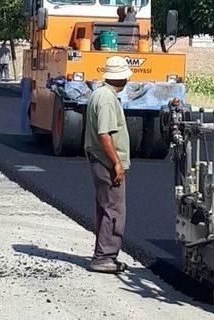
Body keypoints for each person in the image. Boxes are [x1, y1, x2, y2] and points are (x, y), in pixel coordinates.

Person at [84, 56, 132, 274]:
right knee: (113, 209)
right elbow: (104, 134)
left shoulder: (99, 94)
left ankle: (103, 254)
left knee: (105, 208)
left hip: (100, 160)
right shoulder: (106, 99)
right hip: (106, 163)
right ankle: (104, 257)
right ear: (123, 77)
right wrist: (117, 164)